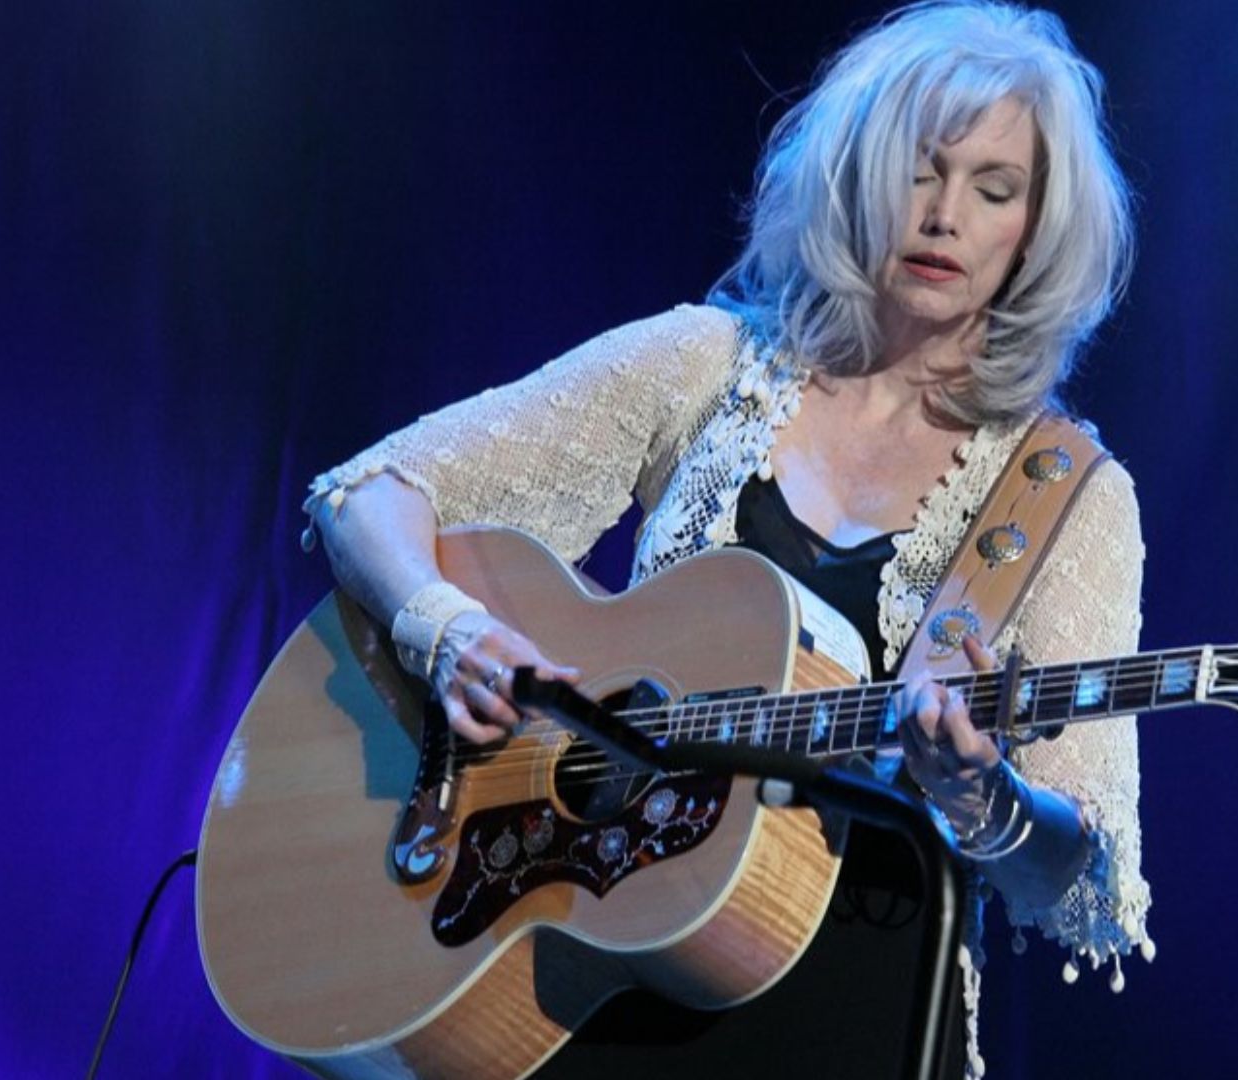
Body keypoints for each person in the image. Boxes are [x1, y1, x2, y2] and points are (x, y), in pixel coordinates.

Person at [304, 2, 1151, 1075]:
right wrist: (445, 630)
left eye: (995, 189)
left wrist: (983, 798)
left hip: (860, 1013)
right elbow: (368, 494)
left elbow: (1075, 875)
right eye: (919, 171)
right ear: (854, 176)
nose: (945, 216)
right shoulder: (709, 365)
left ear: (1034, 229)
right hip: (594, 977)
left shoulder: (1065, 494)